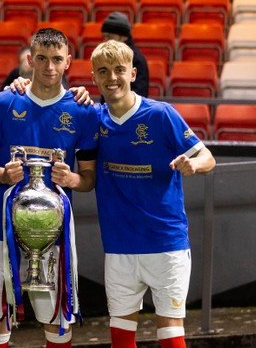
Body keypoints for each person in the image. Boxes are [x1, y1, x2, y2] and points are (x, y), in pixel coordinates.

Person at [0, 27, 99, 348]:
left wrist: (72, 180)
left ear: (68, 61)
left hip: (54, 235)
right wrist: (2, 175)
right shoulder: (2, 103)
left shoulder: (82, 110)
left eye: (57, 59)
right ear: (29, 59)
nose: (49, 67)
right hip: (1, 232)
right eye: (41, 58)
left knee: (56, 321)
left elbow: (88, 178)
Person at [91, 39, 216, 347]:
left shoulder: (161, 115)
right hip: (119, 247)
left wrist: (193, 165)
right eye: (103, 71)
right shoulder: (92, 118)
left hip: (165, 244)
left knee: (171, 337)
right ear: (94, 77)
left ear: (133, 73)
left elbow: (208, 157)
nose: (112, 78)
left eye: (119, 70)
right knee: (121, 339)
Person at [101, 11, 149, 97]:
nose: (105, 41)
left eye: (109, 37)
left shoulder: (136, 60)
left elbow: (139, 95)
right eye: (104, 37)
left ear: (123, 37)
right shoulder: (109, 57)